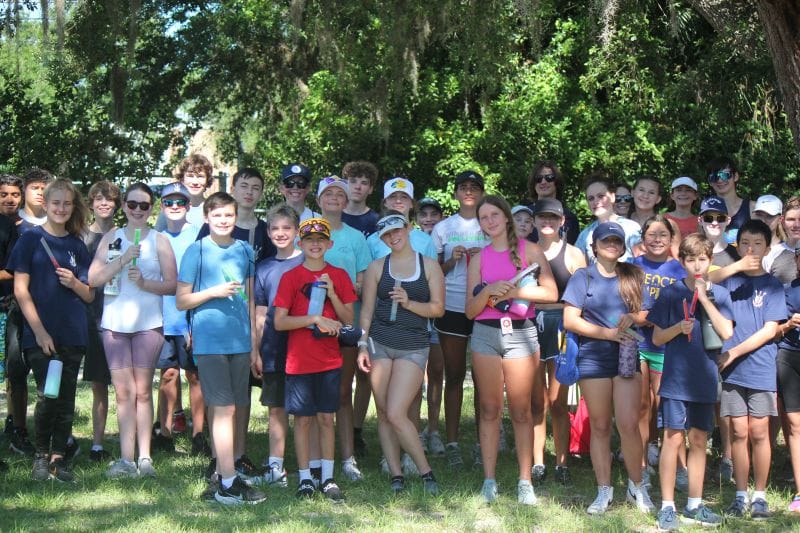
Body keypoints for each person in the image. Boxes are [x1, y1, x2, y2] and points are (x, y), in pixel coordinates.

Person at [466, 195, 557, 504]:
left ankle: (524, 481)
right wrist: (489, 292)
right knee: (489, 409)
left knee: (521, 410)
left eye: (494, 214)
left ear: (505, 217)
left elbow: (551, 292)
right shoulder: (478, 258)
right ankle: (489, 481)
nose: (489, 221)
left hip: (522, 335)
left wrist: (516, 290)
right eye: (483, 217)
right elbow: (470, 310)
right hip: (485, 335)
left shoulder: (529, 250)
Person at [176, 192, 265, 505]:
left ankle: (222, 477)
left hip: (240, 341)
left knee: (236, 407)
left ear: (236, 216)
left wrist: (254, 346)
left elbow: (252, 301)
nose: (224, 221)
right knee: (223, 408)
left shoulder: (243, 250)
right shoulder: (196, 251)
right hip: (210, 341)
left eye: (229, 215)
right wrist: (213, 292)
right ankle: (228, 481)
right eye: (217, 216)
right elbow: (181, 299)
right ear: (206, 219)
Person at [562, 221, 654, 515]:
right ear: (594, 245)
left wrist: (634, 318)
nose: (611, 245)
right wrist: (608, 334)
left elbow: (648, 313)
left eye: (616, 240)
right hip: (593, 356)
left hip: (626, 355)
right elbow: (570, 320)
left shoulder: (634, 274)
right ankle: (604, 490)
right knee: (600, 426)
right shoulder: (582, 276)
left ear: (623, 245)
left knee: (628, 424)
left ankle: (637, 486)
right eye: (606, 240)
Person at [7, 178, 94, 482]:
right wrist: (40, 332)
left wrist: (75, 283)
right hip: (43, 336)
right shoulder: (30, 239)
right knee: (49, 394)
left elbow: (89, 295)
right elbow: (20, 290)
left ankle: (60, 457)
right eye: (55, 203)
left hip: (72, 333)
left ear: (73, 207)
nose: (61, 208)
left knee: (67, 397)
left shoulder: (76, 245)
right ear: (45, 204)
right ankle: (41, 456)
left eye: (67, 204)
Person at [88, 182, 177, 479]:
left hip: (148, 325)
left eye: (144, 205)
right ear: (124, 206)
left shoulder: (159, 240)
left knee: (142, 392)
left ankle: (145, 457)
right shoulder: (111, 238)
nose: (138, 210)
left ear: (151, 209)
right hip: (114, 324)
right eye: (133, 204)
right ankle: (126, 459)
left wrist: (145, 284)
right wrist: (123, 260)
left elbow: (173, 284)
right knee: (123, 393)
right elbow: (94, 279)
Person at [649, 234, 734, 530]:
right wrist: (677, 327)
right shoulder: (672, 294)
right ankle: (668, 506)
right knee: (672, 439)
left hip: (705, 378)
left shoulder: (721, 295)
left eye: (702, 259)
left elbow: (726, 333)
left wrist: (706, 300)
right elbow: (657, 337)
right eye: (690, 260)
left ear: (710, 261)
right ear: (682, 262)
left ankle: (695, 505)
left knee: (699, 440)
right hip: (676, 379)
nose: (697, 265)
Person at [357, 212, 444, 494]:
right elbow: (367, 311)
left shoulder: (429, 266)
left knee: (396, 412)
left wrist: (408, 303)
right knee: (384, 412)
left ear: (408, 229)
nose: (393, 237)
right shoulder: (376, 267)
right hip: (379, 343)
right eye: (387, 235)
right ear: (382, 238)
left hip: (413, 345)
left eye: (397, 231)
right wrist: (361, 344)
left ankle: (425, 472)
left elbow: (437, 309)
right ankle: (396, 474)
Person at [273, 217, 357, 502]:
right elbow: (280, 322)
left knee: (325, 417)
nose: (315, 244)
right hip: (299, 361)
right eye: (309, 240)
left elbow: (348, 319)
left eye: (321, 240)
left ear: (329, 244)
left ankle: (328, 477)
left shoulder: (340, 275)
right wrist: (314, 318)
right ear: (301, 244)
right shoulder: (291, 277)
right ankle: (306, 477)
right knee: (303, 420)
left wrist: (332, 292)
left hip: (330, 360)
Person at [717, 219, 786, 520]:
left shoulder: (772, 285)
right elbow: (700, 282)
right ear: (737, 245)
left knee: (760, 432)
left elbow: (771, 330)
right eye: (745, 242)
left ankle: (760, 495)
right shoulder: (729, 281)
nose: (751, 249)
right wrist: (735, 266)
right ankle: (740, 494)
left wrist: (733, 351)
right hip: (731, 372)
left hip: (759, 368)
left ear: (768, 248)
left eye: (758, 243)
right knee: (737, 432)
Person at [431, 170, 489, 467]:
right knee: (453, 375)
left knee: (483, 378)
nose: (469, 191)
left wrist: (484, 256)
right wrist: (452, 259)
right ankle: (452, 441)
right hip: (452, 304)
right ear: (455, 193)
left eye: (474, 187)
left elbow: (504, 263)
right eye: (463, 187)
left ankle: (484, 441)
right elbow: (432, 273)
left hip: (484, 306)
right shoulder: (443, 227)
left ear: (481, 193)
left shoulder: (491, 223)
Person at [315, 175, 372, 479]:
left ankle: (348, 459)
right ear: (319, 199)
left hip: (346, 319)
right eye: (328, 193)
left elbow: (364, 281)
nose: (335, 197)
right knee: (313, 392)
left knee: (342, 392)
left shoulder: (356, 238)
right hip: (311, 323)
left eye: (340, 193)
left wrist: (341, 289)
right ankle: (314, 459)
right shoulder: (308, 232)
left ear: (347, 200)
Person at [529, 198, 586, 485]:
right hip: (529, 324)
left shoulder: (575, 255)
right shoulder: (525, 250)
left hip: (563, 325)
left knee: (559, 400)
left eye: (553, 217)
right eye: (542, 217)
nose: (547, 222)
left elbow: (585, 295)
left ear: (563, 221)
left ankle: (562, 461)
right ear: (535, 220)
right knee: (536, 399)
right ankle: (538, 461)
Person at [153, 182, 209, 456]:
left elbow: (201, 281)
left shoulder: (198, 238)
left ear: (189, 206)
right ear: (161, 206)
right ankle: (163, 433)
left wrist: (195, 322)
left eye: (180, 203)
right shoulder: (155, 237)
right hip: (162, 318)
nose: (174, 208)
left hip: (190, 319)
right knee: (168, 374)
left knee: (195, 376)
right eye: (168, 203)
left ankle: (199, 434)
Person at [631, 215, 686, 488]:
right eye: (651, 234)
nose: (657, 240)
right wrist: (643, 317)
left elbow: (685, 309)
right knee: (641, 405)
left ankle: (676, 464)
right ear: (643, 238)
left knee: (667, 406)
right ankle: (642, 464)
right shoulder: (633, 267)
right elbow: (624, 303)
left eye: (663, 235)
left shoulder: (679, 270)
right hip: (638, 342)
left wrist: (653, 317)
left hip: (667, 346)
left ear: (671, 239)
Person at [253, 204, 304, 487]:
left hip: (306, 346)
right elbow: (260, 313)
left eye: (287, 228)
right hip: (273, 346)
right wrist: (257, 349)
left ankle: (313, 467)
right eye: (275, 228)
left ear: (297, 231)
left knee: (307, 410)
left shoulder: (309, 261)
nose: (281, 233)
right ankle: (276, 466)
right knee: (276, 408)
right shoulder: (264, 268)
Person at [6, 168, 54, 458]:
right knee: (16, 369)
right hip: (18, 306)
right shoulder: (15, 224)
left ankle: (52, 431)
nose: (39, 192)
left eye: (44, 187)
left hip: (52, 308)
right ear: (25, 190)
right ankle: (18, 428)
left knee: (51, 372)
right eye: (34, 187)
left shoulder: (59, 221)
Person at [82, 180, 120, 462]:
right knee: (97, 383)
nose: (104, 203)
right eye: (99, 199)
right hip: (87, 314)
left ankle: (127, 439)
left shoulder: (125, 235)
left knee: (122, 383)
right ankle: (94, 443)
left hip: (119, 314)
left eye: (109, 199)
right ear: (91, 203)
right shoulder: (81, 235)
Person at [415, 197, 446, 456]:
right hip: (416, 313)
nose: (428, 218)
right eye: (423, 214)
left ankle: (434, 429)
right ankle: (414, 431)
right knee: (415, 374)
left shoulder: (445, 239)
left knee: (437, 371)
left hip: (440, 314)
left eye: (433, 214)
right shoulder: (412, 239)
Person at [197, 167, 276, 264]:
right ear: (232, 189)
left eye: (255, 188)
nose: (249, 192)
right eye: (244, 186)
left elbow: (269, 268)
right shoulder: (216, 224)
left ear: (261, 194)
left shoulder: (264, 230)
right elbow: (197, 260)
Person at [776, 248, 800, 512]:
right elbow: (773, 331)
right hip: (790, 357)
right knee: (794, 426)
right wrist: (788, 325)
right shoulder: (785, 288)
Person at [574, 174, 641, 263]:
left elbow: (642, 264)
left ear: (613, 197)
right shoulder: (585, 235)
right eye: (591, 198)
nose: (596, 202)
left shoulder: (631, 228)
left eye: (601, 196)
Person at [525, 160, 579, 244]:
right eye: (538, 179)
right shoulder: (524, 214)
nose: (543, 182)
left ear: (557, 182)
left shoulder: (570, 218)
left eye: (549, 178)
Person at [154, 154, 214, 230]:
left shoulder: (213, 209)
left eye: (200, 176)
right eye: (190, 176)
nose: (195, 182)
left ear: (207, 180)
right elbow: (157, 237)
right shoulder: (171, 208)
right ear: (182, 179)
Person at [705, 156, 753, 244]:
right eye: (714, 177)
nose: (719, 180)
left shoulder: (752, 208)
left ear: (736, 176)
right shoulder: (705, 213)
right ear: (710, 182)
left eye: (725, 175)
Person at [751, 194, 796, 284]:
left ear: (780, 219)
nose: (763, 220)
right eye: (759, 215)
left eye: (769, 216)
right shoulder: (742, 247)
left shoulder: (786, 255)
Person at [341, 161, 380, 237]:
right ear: (344, 184)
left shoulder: (377, 222)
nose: (358, 187)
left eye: (364, 183)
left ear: (370, 189)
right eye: (353, 181)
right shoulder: (334, 217)